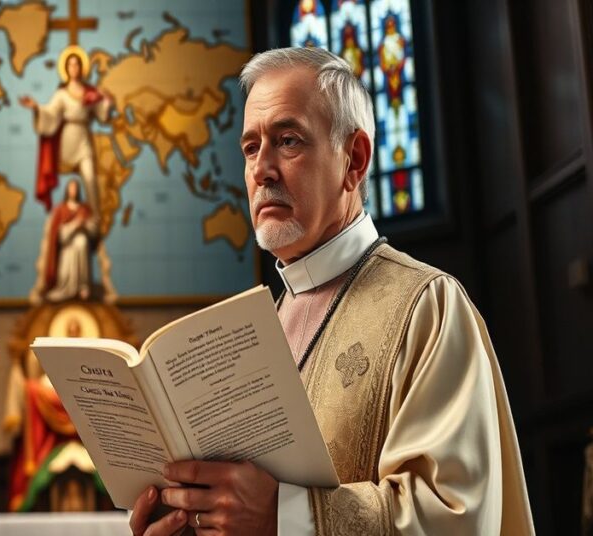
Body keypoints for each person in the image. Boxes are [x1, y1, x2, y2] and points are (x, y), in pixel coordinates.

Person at [129, 47, 534, 535]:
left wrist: (284, 516)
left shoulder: (428, 306)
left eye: (288, 141)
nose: (261, 170)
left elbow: (456, 514)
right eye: (251, 148)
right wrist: (189, 519)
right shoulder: (262, 325)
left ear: (354, 160)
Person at [20, 46, 114, 223]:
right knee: (65, 180)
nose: (74, 68)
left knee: (90, 178)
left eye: (77, 64)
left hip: (83, 138)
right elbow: (50, 113)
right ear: (66, 68)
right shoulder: (62, 94)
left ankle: (95, 218)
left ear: (81, 68)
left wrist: (106, 100)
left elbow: (102, 115)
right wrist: (36, 108)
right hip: (67, 141)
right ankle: (64, 216)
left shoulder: (89, 93)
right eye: (70, 65)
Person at [31, 179, 98, 303]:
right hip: (68, 247)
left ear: (78, 190)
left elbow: (93, 229)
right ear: (67, 190)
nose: (73, 190)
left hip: (82, 248)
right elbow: (59, 234)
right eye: (71, 188)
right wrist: (74, 225)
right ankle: (67, 289)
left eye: (75, 188)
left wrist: (85, 225)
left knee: (82, 243)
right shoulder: (61, 209)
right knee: (67, 270)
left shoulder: (84, 208)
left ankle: (83, 287)